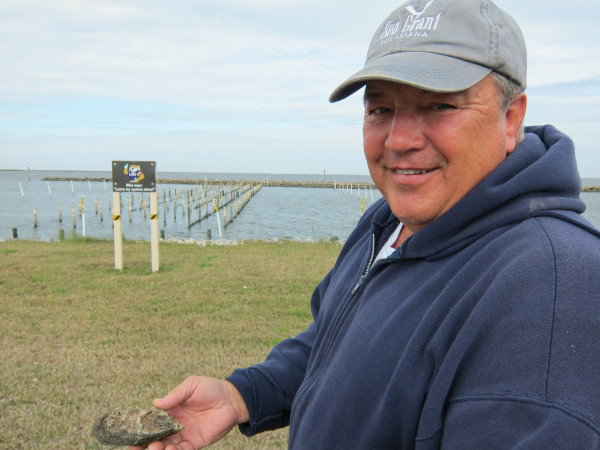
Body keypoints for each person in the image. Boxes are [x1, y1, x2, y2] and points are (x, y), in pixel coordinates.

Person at [133, 0, 600, 448]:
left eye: (439, 105)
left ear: (510, 119)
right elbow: (338, 339)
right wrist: (245, 394)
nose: (399, 140)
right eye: (380, 109)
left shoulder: (553, 284)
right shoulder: (388, 221)